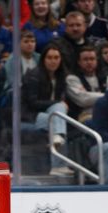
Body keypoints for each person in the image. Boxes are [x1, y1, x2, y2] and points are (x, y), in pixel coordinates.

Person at [21, 43, 72, 177]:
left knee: (58, 118)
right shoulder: (33, 75)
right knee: (58, 118)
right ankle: (59, 165)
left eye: (56, 57)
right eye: (49, 57)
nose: (53, 61)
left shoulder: (62, 76)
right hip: (31, 116)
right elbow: (32, 103)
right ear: (43, 59)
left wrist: (58, 105)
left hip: (53, 115)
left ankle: (58, 139)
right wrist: (57, 103)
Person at [66, 45, 108, 123]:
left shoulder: (107, 78)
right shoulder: (72, 79)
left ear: (97, 61)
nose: (89, 62)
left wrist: (91, 95)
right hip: (82, 117)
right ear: (79, 62)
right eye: (85, 59)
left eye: (92, 59)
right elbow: (83, 100)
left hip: (107, 113)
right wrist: (106, 95)